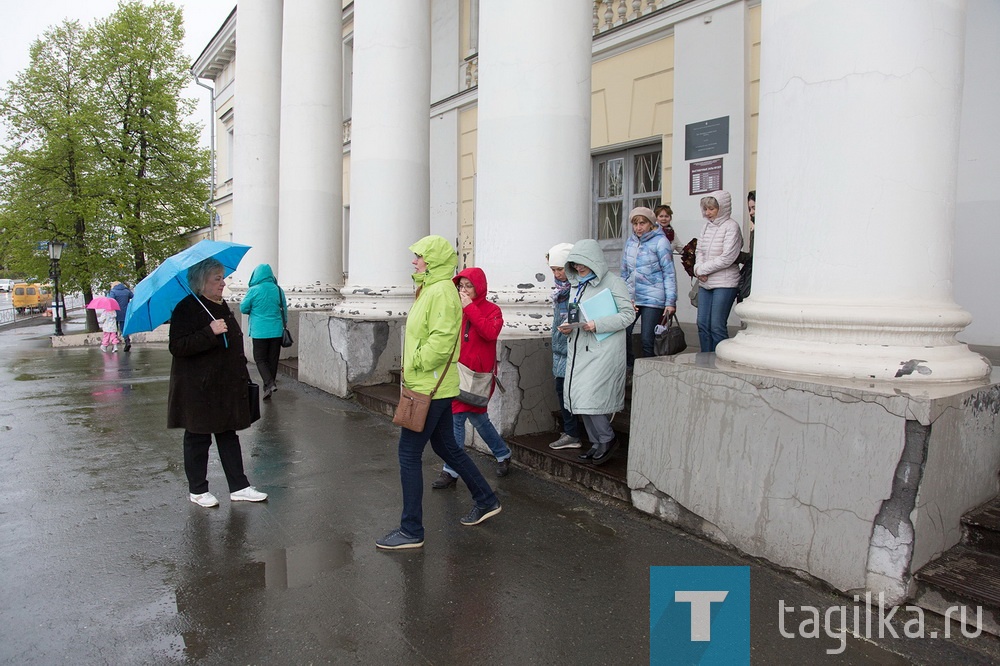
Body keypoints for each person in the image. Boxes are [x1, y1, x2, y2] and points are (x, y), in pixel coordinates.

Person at [376, 235, 502, 550]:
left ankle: (411, 530)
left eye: (418, 256)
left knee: (408, 454)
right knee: (449, 448)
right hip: (436, 387)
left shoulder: (442, 292)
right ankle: (486, 499)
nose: (414, 261)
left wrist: (415, 364)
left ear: (431, 260)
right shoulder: (433, 289)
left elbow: (442, 340)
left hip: (429, 387)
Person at [167, 257, 268, 508]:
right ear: (202, 282)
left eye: (222, 277)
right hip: (198, 388)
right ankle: (198, 490)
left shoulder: (219, 305)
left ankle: (239, 486)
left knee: (228, 434)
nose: (223, 283)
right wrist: (208, 332)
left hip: (224, 385)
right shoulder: (187, 308)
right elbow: (177, 346)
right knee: (198, 437)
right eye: (217, 279)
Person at [431, 267, 512, 488]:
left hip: (478, 377)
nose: (464, 290)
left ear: (479, 287)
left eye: (469, 286)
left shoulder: (493, 310)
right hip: (457, 374)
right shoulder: (455, 307)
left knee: (478, 419)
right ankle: (452, 469)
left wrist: (470, 307)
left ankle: (502, 454)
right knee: (457, 419)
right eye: (461, 286)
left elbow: (490, 333)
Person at [557, 239, 635, 466]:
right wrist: (566, 326)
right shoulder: (577, 285)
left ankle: (607, 439)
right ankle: (597, 442)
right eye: (575, 264)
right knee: (580, 399)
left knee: (590, 397)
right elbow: (575, 314)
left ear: (594, 260)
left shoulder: (613, 282)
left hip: (603, 349)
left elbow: (628, 315)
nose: (579, 268)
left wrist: (597, 324)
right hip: (580, 347)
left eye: (583, 263)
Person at [620, 207, 677, 368]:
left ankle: (650, 371)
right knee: (623, 332)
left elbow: (669, 272)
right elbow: (624, 272)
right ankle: (630, 368)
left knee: (647, 339)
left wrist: (670, 301)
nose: (638, 227)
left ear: (651, 223)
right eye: (635, 224)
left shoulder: (661, 241)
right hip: (632, 298)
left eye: (642, 223)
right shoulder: (630, 242)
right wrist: (622, 296)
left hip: (654, 298)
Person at [693, 190, 743, 352]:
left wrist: (703, 269)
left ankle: (719, 360)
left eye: (711, 209)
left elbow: (728, 257)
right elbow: (699, 251)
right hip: (705, 282)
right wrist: (697, 269)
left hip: (725, 283)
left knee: (716, 325)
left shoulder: (731, 227)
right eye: (705, 209)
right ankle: (705, 358)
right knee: (702, 324)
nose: (708, 213)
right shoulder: (706, 227)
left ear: (722, 208)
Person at [545, 243, 582, 450]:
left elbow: (574, 318)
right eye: (553, 270)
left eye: (560, 269)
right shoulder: (560, 291)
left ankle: (572, 433)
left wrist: (569, 326)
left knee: (566, 391)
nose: (558, 274)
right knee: (561, 389)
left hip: (571, 350)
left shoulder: (574, 291)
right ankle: (571, 431)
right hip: (560, 349)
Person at [239, 263, 286, 400]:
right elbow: (284, 309)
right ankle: (268, 387)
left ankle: (270, 383)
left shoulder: (253, 290)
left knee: (260, 359)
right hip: (276, 330)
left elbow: (243, 308)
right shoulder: (278, 289)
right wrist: (285, 324)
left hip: (260, 331)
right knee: (272, 359)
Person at [736, 191, 756, 303]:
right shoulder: (754, 227)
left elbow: (757, 258)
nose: (751, 212)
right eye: (749, 209)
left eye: (754, 208)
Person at [108, 281, 134, 351]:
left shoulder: (113, 291)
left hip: (115, 313)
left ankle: (115, 345)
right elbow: (133, 296)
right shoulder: (126, 290)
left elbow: (111, 301)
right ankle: (127, 341)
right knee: (123, 328)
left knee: (114, 329)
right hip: (125, 312)